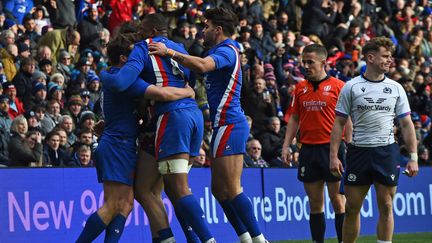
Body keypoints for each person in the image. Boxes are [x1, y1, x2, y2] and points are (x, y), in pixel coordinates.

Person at [149, 8, 267, 243]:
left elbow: (203, 66)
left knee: (232, 189)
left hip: (230, 123)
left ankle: (260, 239)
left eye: (206, 26)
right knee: (219, 191)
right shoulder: (221, 50)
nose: (203, 31)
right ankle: (246, 238)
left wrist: (168, 51)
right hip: (223, 125)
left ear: (218, 29)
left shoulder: (227, 50)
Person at [99, 14, 214, 243]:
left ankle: (206, 240)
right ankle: (173, 239)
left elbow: (123, 83)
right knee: (159, 189)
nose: (140, 34)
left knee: (169, 189)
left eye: (142, 29)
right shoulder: (179, 47)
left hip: (170, 119)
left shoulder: (143, 48)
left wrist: (104, 75)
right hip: (192, 118)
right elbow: (189, 78)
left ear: (150, 30)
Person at [76, 30, 197, 243]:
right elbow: (163, 94)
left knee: (125, 204)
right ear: (124, 58)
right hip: (117, 145)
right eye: (133, 55)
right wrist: (189, 92)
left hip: (119, 142)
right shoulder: (125, 81)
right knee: (113, 205)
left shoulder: (113, 76)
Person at [329, 37, 419, 243]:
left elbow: (406, 124)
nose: (390, 60)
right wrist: (334, 156)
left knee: (386, 205)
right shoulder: (350, 87)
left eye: (390, 56)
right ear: (370, 58)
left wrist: (413, 157)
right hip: (358, 152)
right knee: (352, 208)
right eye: (385, 56)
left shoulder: (396, 88)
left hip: (386, 151)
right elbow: (339, 124)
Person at [281, 44, 348, 243]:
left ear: (323, 63)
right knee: (315, 203)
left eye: (310, 62)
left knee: (338, 201)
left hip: (332, 149)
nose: (306, 66)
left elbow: (348, 120)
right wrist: (286, 145)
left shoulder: (339, 86)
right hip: (308, 149)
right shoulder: (300, 88)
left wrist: (350, 145)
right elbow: (293, 119)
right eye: (304, 62)